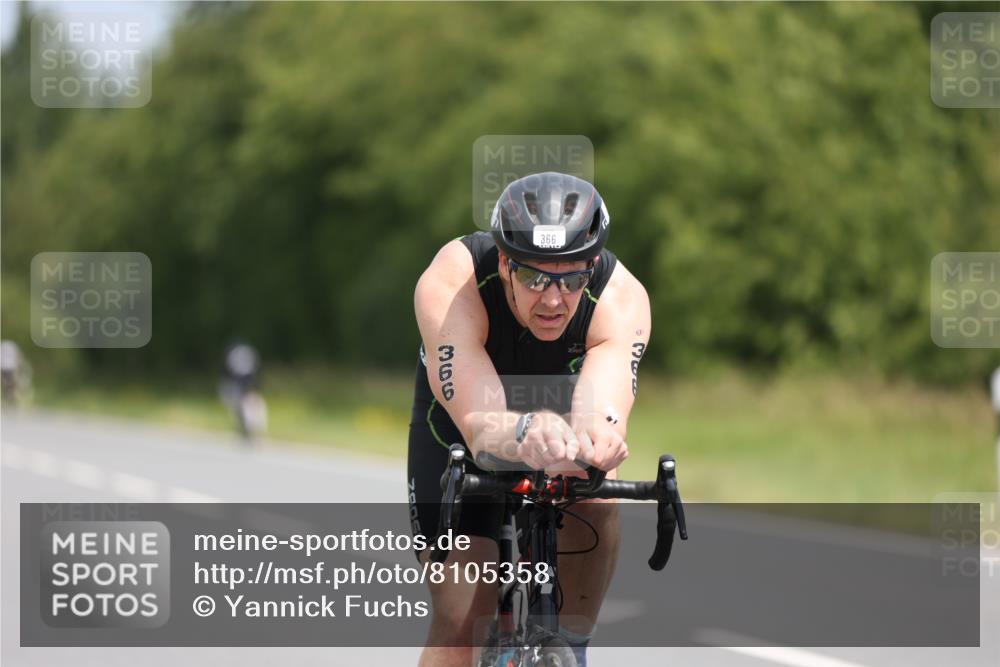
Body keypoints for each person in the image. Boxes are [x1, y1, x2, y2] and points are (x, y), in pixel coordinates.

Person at [408, 172, 651, 667]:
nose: (554, 299)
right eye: (534, 277)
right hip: (459, 424)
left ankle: (572, 649)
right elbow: (480, 424)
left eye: (572, 279)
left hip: (558, 420)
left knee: (597, 487)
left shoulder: (621, 298)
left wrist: (598, 441)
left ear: (593, 266)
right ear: (503, 262)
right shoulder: (454, 281)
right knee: (461, 623)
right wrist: (523, 430)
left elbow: (601, 413)